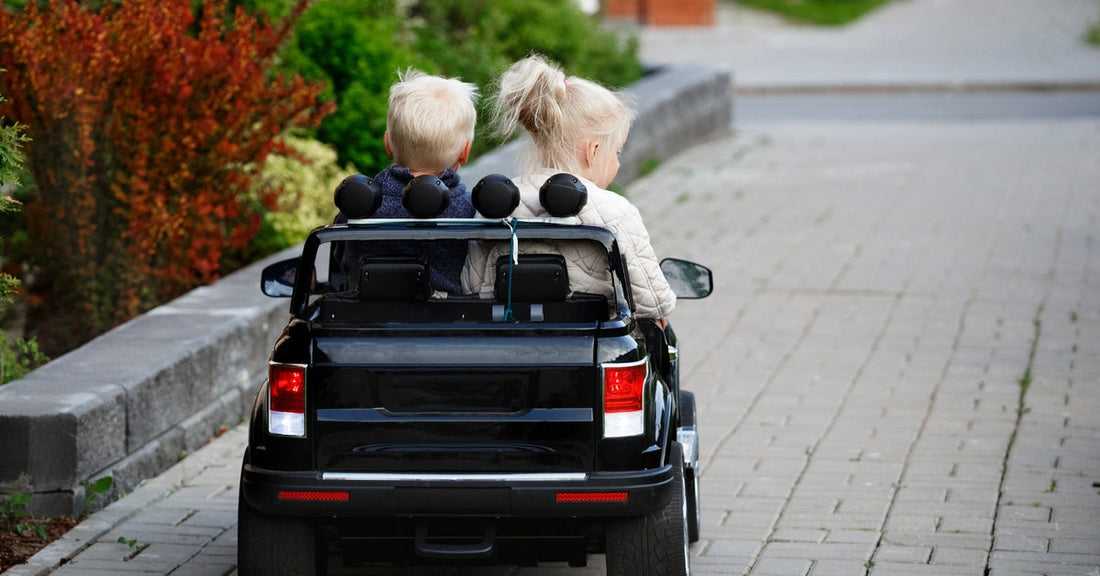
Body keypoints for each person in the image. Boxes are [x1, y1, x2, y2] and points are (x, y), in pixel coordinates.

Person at [461, 54, 675, 324]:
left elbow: (471, 289)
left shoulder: (496, 207)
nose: (618, 163)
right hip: (591, 349)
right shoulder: (615, 212)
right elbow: (651, 301)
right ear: (593, 151)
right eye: (617, 152)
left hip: (506, 347)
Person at [335, 68, 479, 295]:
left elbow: (341, 264)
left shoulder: (357, 211)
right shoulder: (472, 212)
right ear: (465, 151)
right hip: (453, 326)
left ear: (387, 143)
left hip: (366, 325)